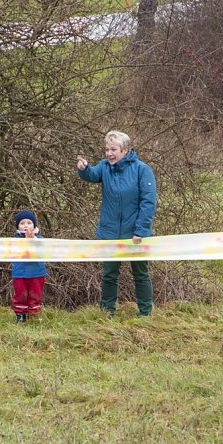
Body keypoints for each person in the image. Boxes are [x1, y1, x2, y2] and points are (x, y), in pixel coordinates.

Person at [76, 130, 157, 317]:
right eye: (107, 149)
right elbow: (92, 174)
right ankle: (107, 312)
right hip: (109, 233)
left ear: (125, 150)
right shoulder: (104, 167)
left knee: (141, 274)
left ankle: (145, 313)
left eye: (113, 149)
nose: (109, 154)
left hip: (136, 234)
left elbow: (148, 202)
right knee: (109, 274)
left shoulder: (142, 170)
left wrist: (141, 230)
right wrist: (84, 168)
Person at [11, 210, 47, 324]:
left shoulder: (39, 239)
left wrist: (33, 239)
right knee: (20, 295)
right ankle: (20, 315)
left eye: (29, 223)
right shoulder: (15, 240)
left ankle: (34, 315)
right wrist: (25, 240)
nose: (26, 225)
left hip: (37, 273)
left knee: (35, 295)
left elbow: (42, 249)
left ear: (34, 225)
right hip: (20, 273)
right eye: (22, 223)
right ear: (18, 227)